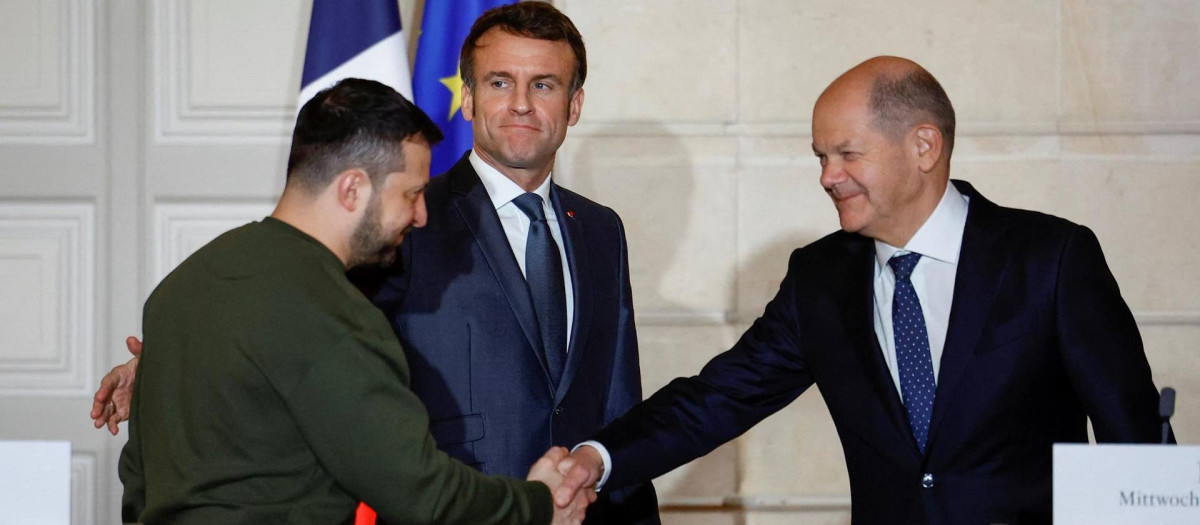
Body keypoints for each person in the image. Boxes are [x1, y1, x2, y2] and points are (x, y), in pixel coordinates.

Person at [93, 4, 658, 524]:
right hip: (461, 508)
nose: (519, 103)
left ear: (574, 103)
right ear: (468, 96)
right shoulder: (399, 221)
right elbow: (298, 323)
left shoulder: (601, 230)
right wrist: (169, 362)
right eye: (499, 82)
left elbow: (618, 398)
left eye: (543, 85)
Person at [553, 56, 1169, 525]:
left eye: (847, 154)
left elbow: (1134, 444)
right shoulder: (821, 279)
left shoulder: (1051, 258)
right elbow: (717, 399)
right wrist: (597, 459)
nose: (827, 176)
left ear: (923, 146)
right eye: (821, 156)